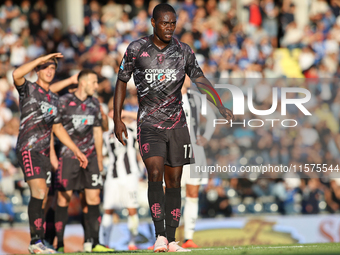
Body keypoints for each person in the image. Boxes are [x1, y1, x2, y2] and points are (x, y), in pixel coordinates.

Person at [114, 3, 233, 253]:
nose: (169, 27)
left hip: (178, 125)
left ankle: (172, 239)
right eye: (165, 23)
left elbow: (200, 79)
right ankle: (159, 236)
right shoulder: (136, 49)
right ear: (153, 22)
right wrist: (117, 118)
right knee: (155, 173)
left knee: (175, 181)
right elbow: (121, 81)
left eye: (173, 23)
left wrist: (219, 105)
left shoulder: (183, 51)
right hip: (149, 124)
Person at [12, 53, 88, 254]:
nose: (49, 71)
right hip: (28, 148)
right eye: (45, 67)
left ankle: (39, 240)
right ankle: (36, 242)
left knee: (44, 197)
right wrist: (41, 58)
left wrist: (76, 150)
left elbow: (58, 128)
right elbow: (16, 74)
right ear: (38, 69)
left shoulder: (53, 98)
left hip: (44, 152)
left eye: (52, 68)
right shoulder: (29, 89)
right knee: (39, 192)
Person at [53, 69, 113, 253]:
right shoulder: (63, 101)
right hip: (68, 156)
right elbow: (53, 126)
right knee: (64, 198)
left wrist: (100, 160)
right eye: (94, 82)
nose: (96, 86)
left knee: (93, 197)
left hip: (91, 157)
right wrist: (53, 156)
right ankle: (60, 243)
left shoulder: (94, 103)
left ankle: (93, 242)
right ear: (83, 82)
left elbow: (98, 132)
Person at [180, 77, 216, 248]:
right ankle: (164, 236)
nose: (189, 78)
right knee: (168, 192)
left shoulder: (196, 97)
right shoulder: (166, 97)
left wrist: (206, 137)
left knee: (192, 194)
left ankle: (188, 238)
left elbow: (212, 118)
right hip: (172, 150)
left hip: (195, 149)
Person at [101, 100, 141, 250]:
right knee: (108, 209)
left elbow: (143, 117)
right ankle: (105, 243)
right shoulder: (106, 134)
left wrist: (126, 114)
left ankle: (132, 243)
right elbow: (103, 153)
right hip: (112, 176)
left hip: (130, 175)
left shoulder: (132, 129)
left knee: (132, 209)